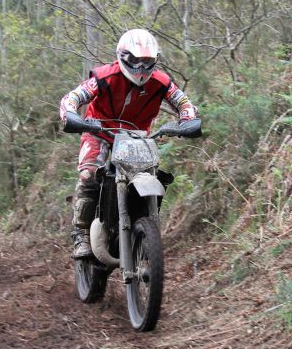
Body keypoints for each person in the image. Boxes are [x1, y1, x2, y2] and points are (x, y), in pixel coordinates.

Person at [59, 29, 198, 258]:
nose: (141, 68)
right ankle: (80, 234)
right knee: (89, 175)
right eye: (135, 61)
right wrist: (71, 115)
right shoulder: (104, 77)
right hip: (99, 132)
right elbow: (73, 97)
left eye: (147, 62)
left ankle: (141, 225)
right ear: (122, 56)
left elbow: (183, 102)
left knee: (155, 176)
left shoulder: (161, 82)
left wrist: (188, 120)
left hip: (138, 138)